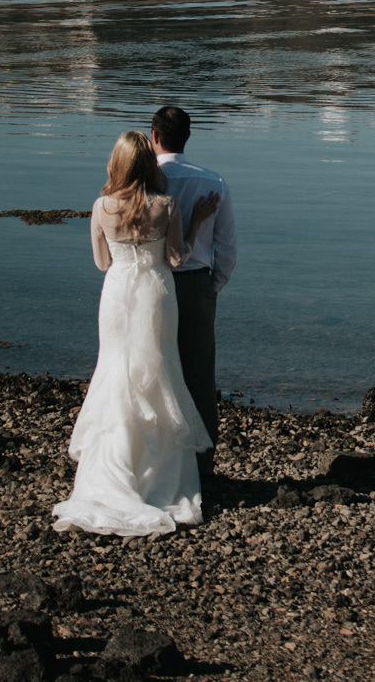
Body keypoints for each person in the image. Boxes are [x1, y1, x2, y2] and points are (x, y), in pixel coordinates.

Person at [52, 131, 220, 537]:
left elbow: (100, 261)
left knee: (115, 372)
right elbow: (177, 258)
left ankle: (111, 472)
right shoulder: (166, 205)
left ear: (118, 163)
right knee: (159, 373)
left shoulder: (101, 206)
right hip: (156, 295)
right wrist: (197, 220)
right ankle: (157, 477)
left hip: (117, 294)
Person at [149, 104, 234, 480]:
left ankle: (159, 460)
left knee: (155, 370)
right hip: (196, 282)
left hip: (151, 284)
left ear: (153, 137)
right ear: (188, 137)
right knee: (199, 375)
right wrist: (213, 287)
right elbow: (226, 247)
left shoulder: (143, 183)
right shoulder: (213, 182)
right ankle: (202, 465)